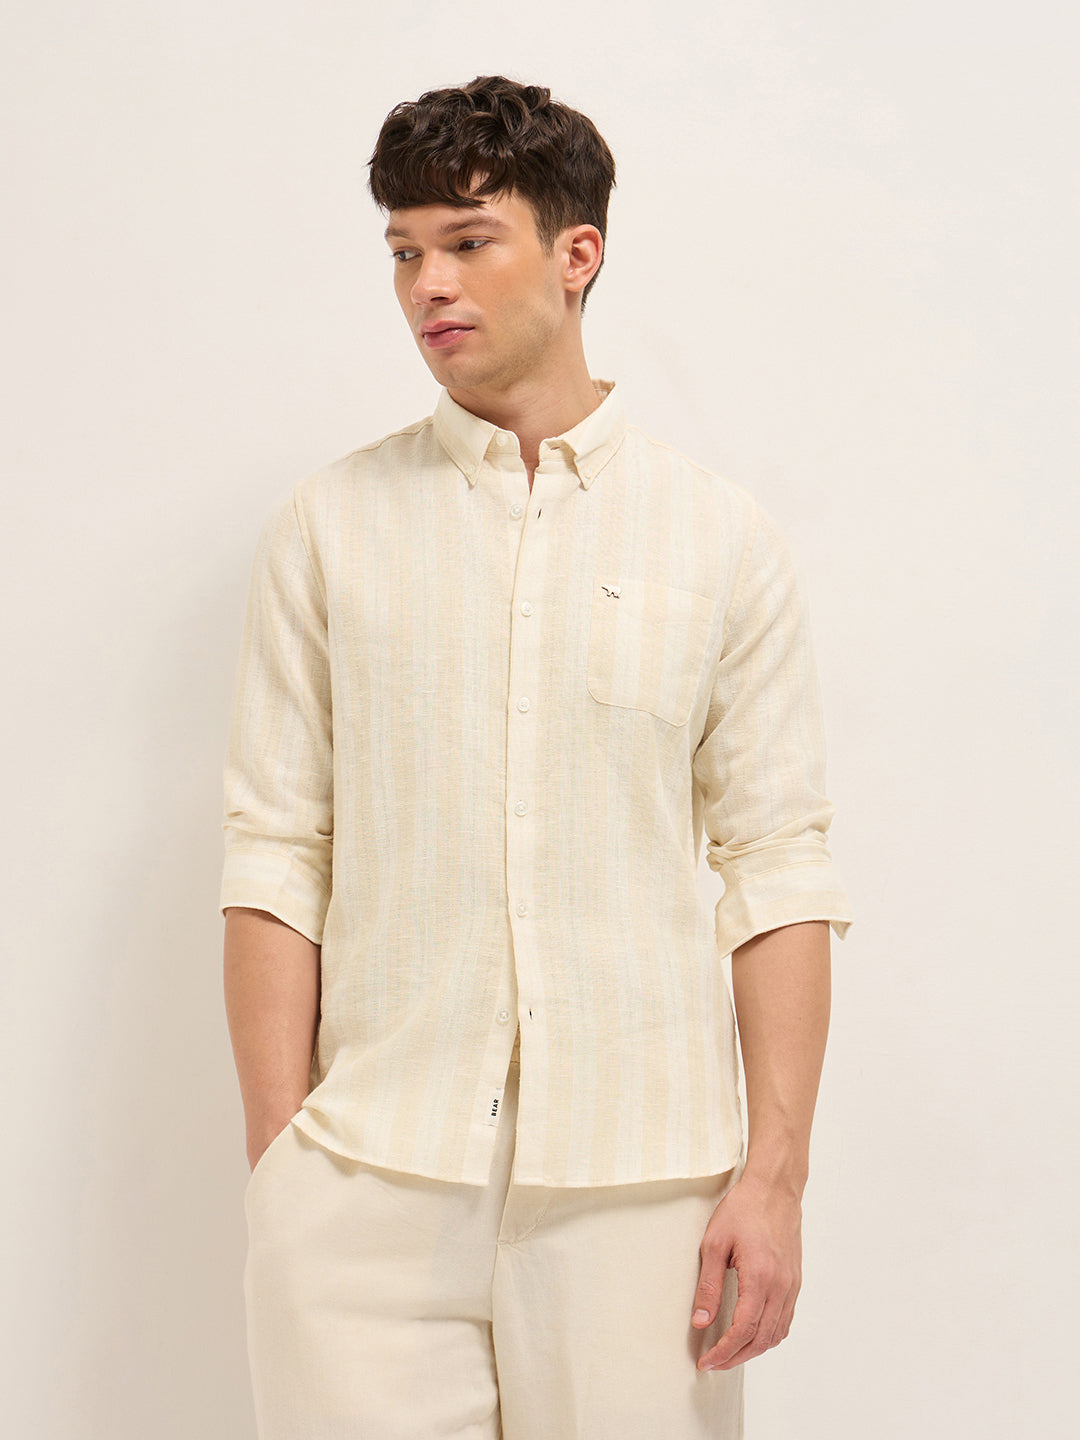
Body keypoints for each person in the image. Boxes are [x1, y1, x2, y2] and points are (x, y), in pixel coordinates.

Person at [220, 74, 854, 1440]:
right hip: (368, 1180)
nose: (427, 286)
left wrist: (775, 1179)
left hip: (643, 1193)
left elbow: (778, 871)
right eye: (404, 252)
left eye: (466, 241)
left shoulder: (718, 540)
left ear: (578, 254)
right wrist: (284, 1167)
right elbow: (275, 852)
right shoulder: (329, 529)